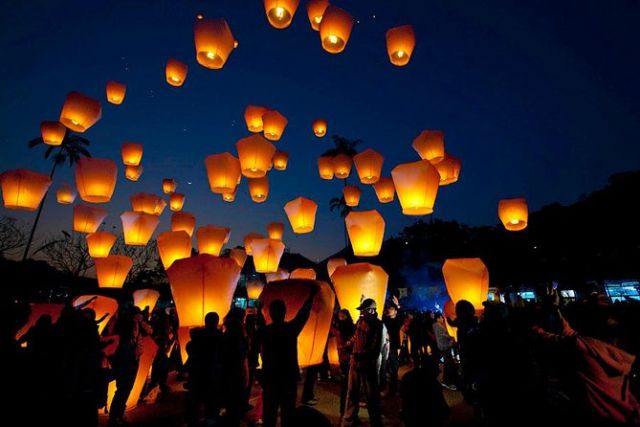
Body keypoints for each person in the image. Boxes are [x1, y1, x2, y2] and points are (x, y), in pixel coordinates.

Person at [533, 291, 640, 426]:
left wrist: (540, 327)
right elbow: (570, 334)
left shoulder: (583, 346)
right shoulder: (624, 347)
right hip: (629, 416)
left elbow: (559, 337)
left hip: (599, 418)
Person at [260, 284, 319, 427]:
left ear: (271, 313)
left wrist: (258, 309)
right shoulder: (290, 330)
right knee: (288, 413)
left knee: (269, 413)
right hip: (288, 378)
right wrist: (310, 296)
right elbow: (303, 314)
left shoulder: (265, 332)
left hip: (270, 378)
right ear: (285, 312)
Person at [341, 298, 384, 427]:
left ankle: (376, 422)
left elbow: (375, 347)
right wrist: (347, 344)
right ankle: (349, 420)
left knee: (372, 396)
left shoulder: (377, 325)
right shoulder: (361, 321)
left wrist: (364, 356)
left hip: (367, 365)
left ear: (371, 310)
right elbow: (356, 336)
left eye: (364, 311)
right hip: (355, 362)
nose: (362, 313)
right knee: (352, 392)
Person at [108, 306, 152, 426]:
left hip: (134, 359)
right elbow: (119, 343)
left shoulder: (138, 325)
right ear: (133, 315)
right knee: (122, 389)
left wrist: (141, 322)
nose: (141, 316)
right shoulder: (124, 327)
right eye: (139, 314)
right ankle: (113, 417)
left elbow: (150, 331)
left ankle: (119, 414)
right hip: (124, 361)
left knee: (127, 389)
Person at [400, 355, 450, 427]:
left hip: (409, 417)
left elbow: (402, 398)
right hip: (425, 420)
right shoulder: (433, 384)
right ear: (433, 371)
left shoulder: (407, 376)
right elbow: (444, 411)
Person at [222, 307, 249, 427]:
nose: (243, 322)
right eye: (242, 319)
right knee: (234, 404)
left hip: (228, 374)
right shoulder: (237, 338)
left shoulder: (226, 335)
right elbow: (241, 357)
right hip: (235, 375)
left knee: (231, 404)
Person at [332, 309, 355, 418]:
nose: (341, 317)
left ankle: (347, 412)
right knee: (346, 387)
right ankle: (345, 412)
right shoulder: (338, 328)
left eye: (343, 315)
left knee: (350, 387)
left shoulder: (350, 327)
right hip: (345, 360)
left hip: (350, 358)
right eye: (339, 315)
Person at [382, 297, 404, 396]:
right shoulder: (385, 320)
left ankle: (393, 389)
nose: (389, 310)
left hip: (393, 346)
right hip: (384, 346)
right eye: (389, 309)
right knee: (384, 367)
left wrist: (398, 305)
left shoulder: (397, 321)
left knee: (394, 368)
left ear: (395, 311)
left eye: (391, 309)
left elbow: (402, 317)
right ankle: (385, 388)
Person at [432, 312, 457, 389]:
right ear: (438, 318)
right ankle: (447, 381)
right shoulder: (438, 326)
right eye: (441, 317)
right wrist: (451, 338)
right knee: (448, 363)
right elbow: (443, 336)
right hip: (444, 346)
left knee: (447, 363)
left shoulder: (437, 325)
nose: (442, 319)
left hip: (444, 346)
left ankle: (446, 380)